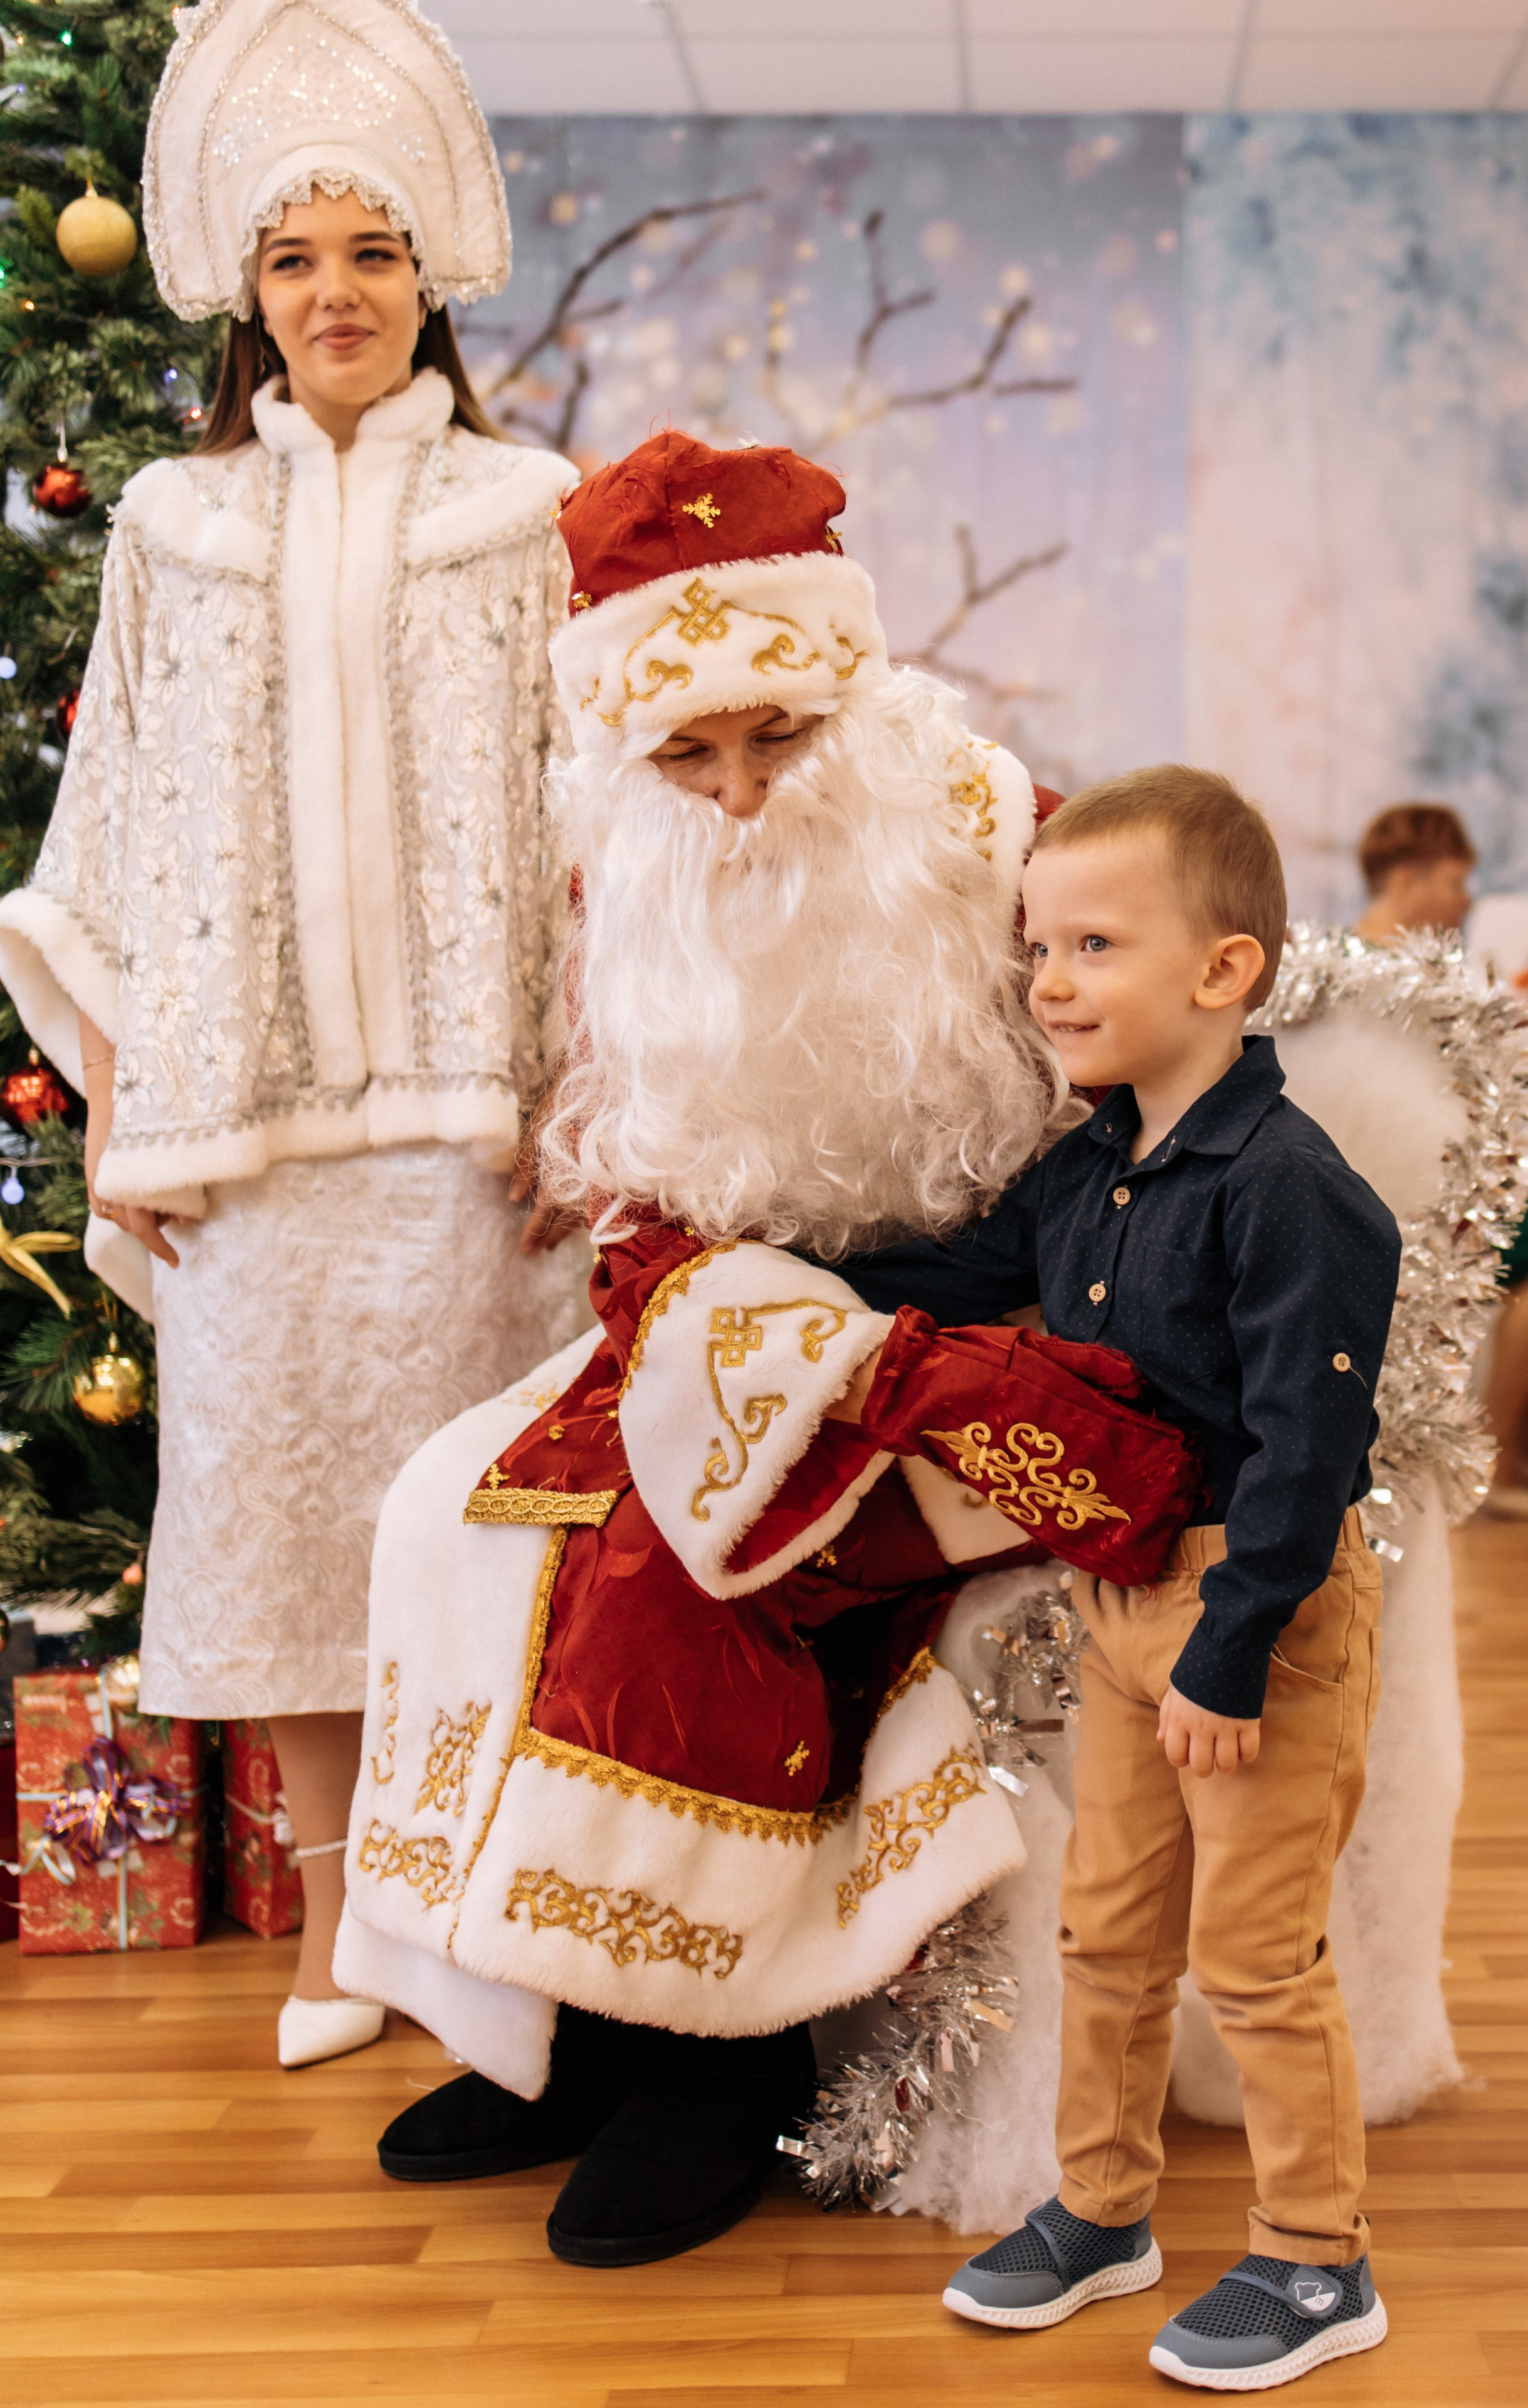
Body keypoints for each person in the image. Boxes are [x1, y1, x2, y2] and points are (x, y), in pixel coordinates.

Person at [334, 430, 1202, 2268]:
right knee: (453, 1510)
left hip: (974, 1328)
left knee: (680, 1563)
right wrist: (689, 1299)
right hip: (728, 1323)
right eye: (686, 751)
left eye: (776, 739)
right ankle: (550, 2022)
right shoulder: (635, 875)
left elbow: (1132, 1124)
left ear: (853, 701)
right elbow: (642, 1168)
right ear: (630, 754)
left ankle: (712, 2050)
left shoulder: (1001, 837)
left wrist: (883, 1324)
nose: (734, 793)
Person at [0, 0, 581, 2067]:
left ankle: (490, 1916)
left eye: (370, 252)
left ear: (428, 274)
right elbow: (123, 811)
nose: (336, 293)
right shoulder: (175, 526)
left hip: (471, 1133)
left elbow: (581, 807)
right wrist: (142, 1082)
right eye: (294, 259)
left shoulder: (531, 520)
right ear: (249, 296)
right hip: (246, 1138)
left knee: (475, 1536)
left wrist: (572, 1077)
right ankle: (344, 1930)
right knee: (285, 1526)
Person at [850, 768, 1399, 2390]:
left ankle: (1318, 2261)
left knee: (1255, 1953)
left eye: (1095, 944)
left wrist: (1232, 1658)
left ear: (1223, 972)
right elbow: (960, 1273)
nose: (1053, 981)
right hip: (1122, 1603)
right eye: (1041, 949)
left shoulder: (1291, 1190)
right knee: (1109, 1930)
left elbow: (1311, 1449)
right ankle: (1104, 2207)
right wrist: (757, 1260)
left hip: (1261, 1618)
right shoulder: (1092, 1164)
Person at [1354, 803, 1528, 1518]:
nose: (1465, 900)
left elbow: (1478, 1078)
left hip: (1425, 1177)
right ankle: (1498, 1461)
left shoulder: (1385, 967)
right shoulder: (1391, 975)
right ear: (1409, 878)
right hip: (1409, 1190)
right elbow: (1480, 1081)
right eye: (1456, 880)